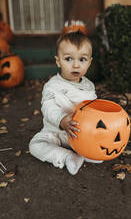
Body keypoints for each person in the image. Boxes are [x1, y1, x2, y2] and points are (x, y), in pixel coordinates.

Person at [29, 30, 102, 175]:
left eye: (82, 59)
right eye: (68, 59)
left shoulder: (89, 86)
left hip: (79, 134)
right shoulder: (52, 86)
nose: (76, 65)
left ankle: (88, 152)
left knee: (96, 138)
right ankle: (66, 156)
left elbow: (92, 111)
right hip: (54, 132)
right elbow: (48, 107)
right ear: (58, 61)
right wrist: (61, 119)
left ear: (89, 62)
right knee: (35, 145)